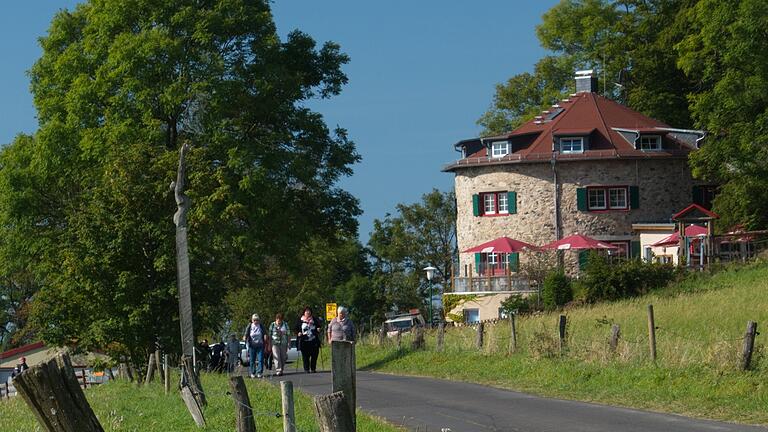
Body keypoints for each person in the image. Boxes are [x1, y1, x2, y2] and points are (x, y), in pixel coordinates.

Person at [295, 306, 322, 373]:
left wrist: (318, 329)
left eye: (309, 311)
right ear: (304, 312)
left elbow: (318, 326)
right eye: (306, 311)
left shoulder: (314, 319)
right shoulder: (300, 320)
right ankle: (306, 369)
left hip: (313, 340)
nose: (308, 312)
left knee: (314, 355)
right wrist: (298, 333)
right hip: (304, 340)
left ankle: (313, 368)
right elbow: (295, 328)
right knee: (305, 356)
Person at [243, 314, 267, 378]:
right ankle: (253, 373)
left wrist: (265, 336)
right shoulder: (250, 326)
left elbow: (265, 333)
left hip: (260, 345)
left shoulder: (261, 325)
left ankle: (259, 372)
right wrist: (245, 337)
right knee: (252, 360)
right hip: (252, 345)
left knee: (260, 359)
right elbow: (246, 333)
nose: (256, 321)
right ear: (252, 320)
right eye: (254, 320)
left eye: (257, 320)